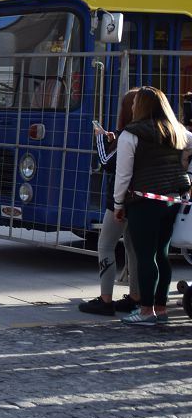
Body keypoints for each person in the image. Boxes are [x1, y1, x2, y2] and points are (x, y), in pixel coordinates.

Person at [112, 86, 192, 326]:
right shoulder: (178, 131)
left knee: (145, 255)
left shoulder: (131, 134)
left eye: (136, 102)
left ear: (142, 106)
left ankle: (146, 311)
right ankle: (160, 307)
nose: (133, 106)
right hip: (171, 201)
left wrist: (118, 203)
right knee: (162, 254)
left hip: (143, 200)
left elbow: (123, 174)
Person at [79, 90, 140, 315]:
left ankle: (105, 299)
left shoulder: (127, 134)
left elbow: (107, 162)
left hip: (119, 200)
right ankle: (136, 296)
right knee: (133, 249)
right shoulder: (146, 134)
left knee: (106, 246)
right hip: (139, 200)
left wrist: (99, 138)